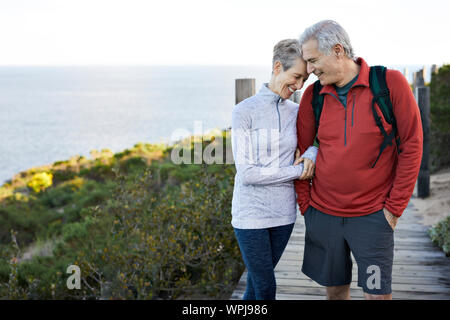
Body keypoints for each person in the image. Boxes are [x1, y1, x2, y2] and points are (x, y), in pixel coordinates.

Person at [295, 20, 423, 300]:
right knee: (336, 293)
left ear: (338, 50)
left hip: (373, 218)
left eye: (313, 60)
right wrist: (306, 206)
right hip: (324, 215)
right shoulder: (312, 96)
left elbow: (412, 146)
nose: (309, 70)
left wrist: (394, 209)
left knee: (376, 294)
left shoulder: (389, 84)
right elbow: (299, 152)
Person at [231, 39, 317, 300]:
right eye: (296, 77)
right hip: (251, 215)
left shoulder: (297, 111)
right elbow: (248, 174)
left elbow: (318, 142)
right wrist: (296, 171)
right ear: (277, 67)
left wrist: (311, 153)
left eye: (305, 79)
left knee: (255, 288)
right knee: (266, 287)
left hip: (284, 216)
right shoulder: (243, 112)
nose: (300, 86)